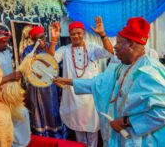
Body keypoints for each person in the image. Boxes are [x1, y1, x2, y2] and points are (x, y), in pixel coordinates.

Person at [54, 17, 165, 146]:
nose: (115, 47)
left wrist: (126, 121)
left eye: (118, 43)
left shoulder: (149, 70)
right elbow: (98, 83)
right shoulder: (122, 66)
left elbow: (161, 112)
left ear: (131, 45)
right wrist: (66, 81)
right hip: (124, 137)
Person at [49, 16, 114, 147]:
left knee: (92, 133)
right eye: (73, 34)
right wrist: (54, 40)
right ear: (69, 35)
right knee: (79, 133)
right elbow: (50, 61)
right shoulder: (65, 50)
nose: (76, 36)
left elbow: (109, 53)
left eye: (78, 33)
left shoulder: (92, 48)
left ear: (83, 33)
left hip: (91, 96)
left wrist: (102, 35)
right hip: (73, 96)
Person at [21, 24, 64, 138]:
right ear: (32, 40)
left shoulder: (52, 46)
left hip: (50, 87)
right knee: (38, 111)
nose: (40, 41)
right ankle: (41, 136)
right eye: (36, 39)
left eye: (42, 37)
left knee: (52, 108)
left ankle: (56, 137)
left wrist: (46, 48)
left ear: (45, 37)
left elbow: (54, 62)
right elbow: (27, 67)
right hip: (36, 88)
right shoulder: (28, 50)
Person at [0, 30, 31, 147]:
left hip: (11, 88)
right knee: (17, 114)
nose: (5, 44)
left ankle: (23, 140)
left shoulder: (8, 53)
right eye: (2, 42)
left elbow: (11, 68)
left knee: (24, 112)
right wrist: (9, 78)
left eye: (6, 41)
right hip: (0, 90)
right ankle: (14, 142)